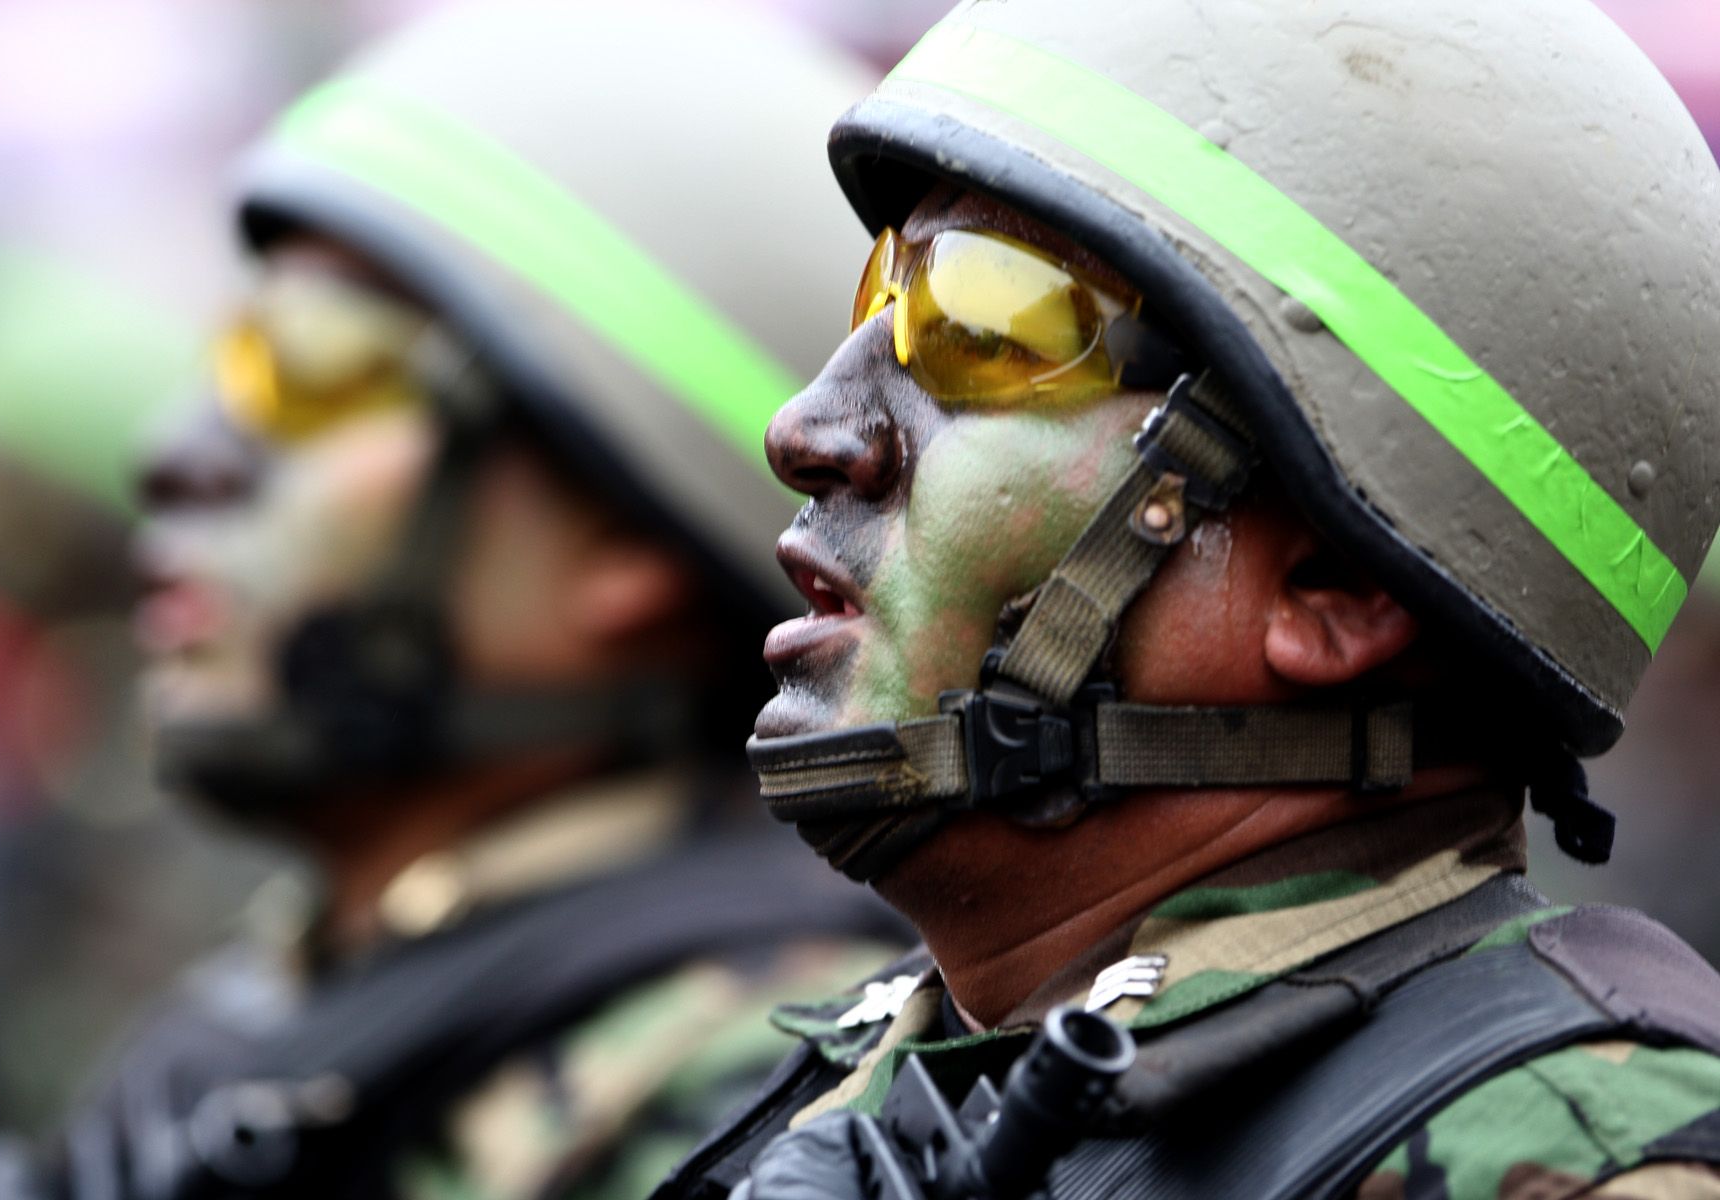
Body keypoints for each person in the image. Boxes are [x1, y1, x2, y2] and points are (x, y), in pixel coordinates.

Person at [648, 1, 1720, 1197]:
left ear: (1336, 586)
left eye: (984, 323)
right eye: (881, 298)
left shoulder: (1575, 1158)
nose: (808, 431)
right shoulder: (887, 1088)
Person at [0, 4, 912, 1199]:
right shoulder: (290, 1010)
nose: (180, 454)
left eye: (312, 365)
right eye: (229, 352)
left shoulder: (753, 1112)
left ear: (624, 544)